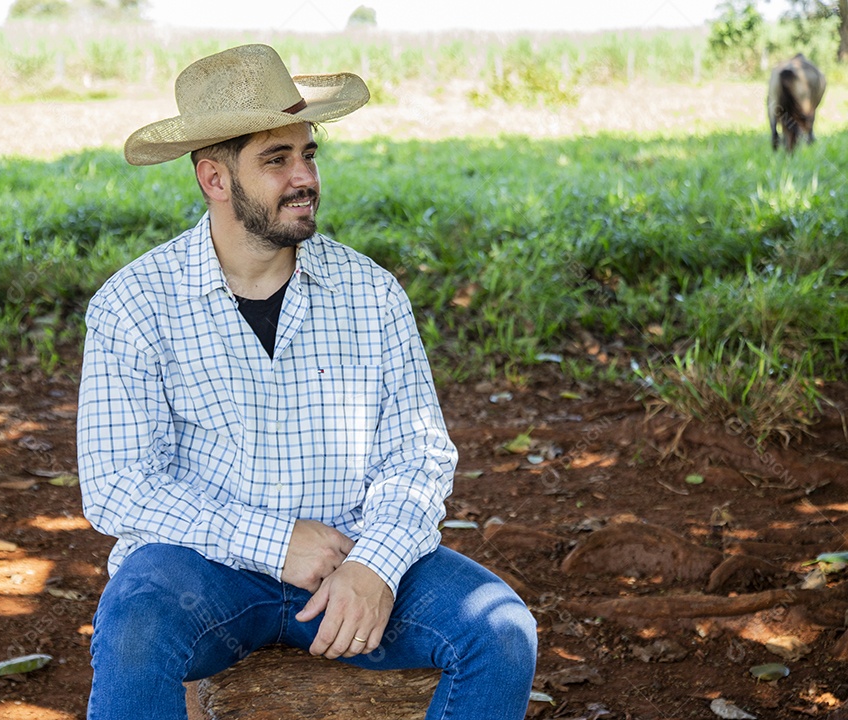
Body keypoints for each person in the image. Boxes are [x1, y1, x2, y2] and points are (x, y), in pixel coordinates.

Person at [76, 43, 537, 720]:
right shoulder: (134, 304)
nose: (305, 177)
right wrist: (272, 542)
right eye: (277, 159)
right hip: (206, 573)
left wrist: (375, 565)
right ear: (214, 179)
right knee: (135, 625)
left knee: (500, 631)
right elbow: (117, 487)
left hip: (351, 557)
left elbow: (419, 455)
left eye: (309, 153)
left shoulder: (370, 293)